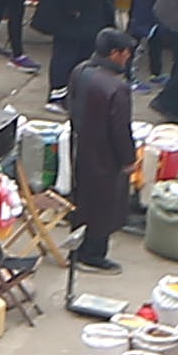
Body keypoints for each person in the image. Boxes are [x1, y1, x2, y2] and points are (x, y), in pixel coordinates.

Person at [64, 30, 137, 268]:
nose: (128, 58)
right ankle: (92, 254)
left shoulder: (80, 71)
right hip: (105, 157)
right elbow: (120, 129)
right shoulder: (117, 87)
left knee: (82, 198)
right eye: (126, 53)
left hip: (80, 147)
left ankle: (78, 247)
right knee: (104, 205)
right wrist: (129, 158)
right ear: (115, 53)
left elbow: (70, 104)